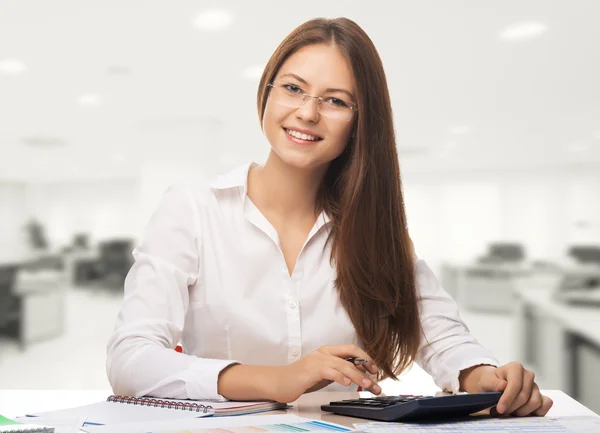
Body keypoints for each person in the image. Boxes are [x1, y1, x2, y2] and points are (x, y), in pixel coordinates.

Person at [106, 17, 552, 417]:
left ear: (360, 122)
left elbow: (441, 337)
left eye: (336, 101)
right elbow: (130, 359)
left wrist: (486, 378)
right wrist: (275, 380)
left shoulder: (371, 230)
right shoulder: (193, 207)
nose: (307, 112)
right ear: (267, 91)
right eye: (293, 88)